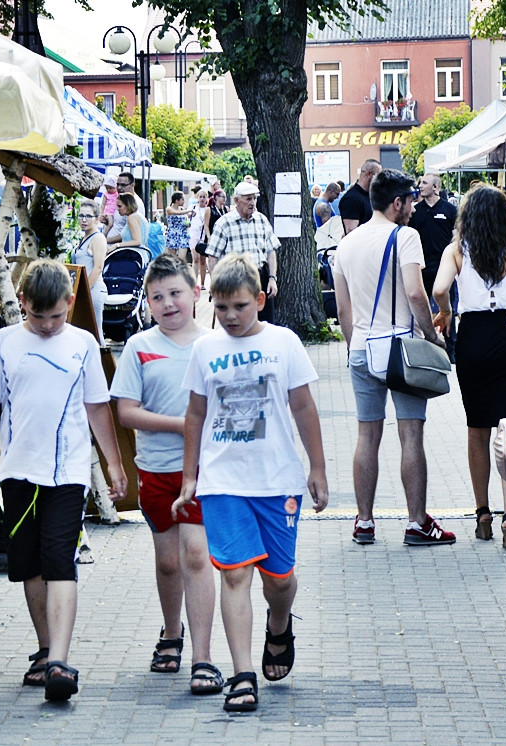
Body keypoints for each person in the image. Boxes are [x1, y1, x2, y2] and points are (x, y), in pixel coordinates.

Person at [0, 258, 128, 703]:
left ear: (71, 304)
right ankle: (44, 647)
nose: (50, 324)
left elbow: (97, 407)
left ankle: (60, 660)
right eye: (39, 315)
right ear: (23, 303)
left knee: (59, 558)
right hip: (16, 470)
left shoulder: (84, 344)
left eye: (57, 315)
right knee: (28, 564)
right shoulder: (3, 343)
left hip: (68, 472)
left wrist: (113, 463)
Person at [172, 254, 328, 713]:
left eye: (239, 306)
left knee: (278, 579)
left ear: (260, 299)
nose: (230, 317)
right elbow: (196, 414)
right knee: (235, 572)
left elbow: (303, 407)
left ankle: (279, 623)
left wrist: (316, 469)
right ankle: (242, 675)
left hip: (277, 479)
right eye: (221, 308)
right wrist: (189, 478)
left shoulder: (285, 343)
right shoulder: (205, 349)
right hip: (223, 480)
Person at [109, 254, 221, 695]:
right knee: (168, 560)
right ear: (148, 304)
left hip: (203, 470)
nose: (168, 304)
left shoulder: (213, 344)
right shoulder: (139, 347)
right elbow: (127, 413)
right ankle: (171, 633)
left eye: (176, 293)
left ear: (195, 293)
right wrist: (182, 424)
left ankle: (203, 656)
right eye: (158, 297)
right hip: (155, 469)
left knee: (196, 555)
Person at [333, 168, 455, 547]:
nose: (414, 207)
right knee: (410, 434)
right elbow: (417, 295)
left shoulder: (347, 244)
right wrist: (434, 338)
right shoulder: (406, 237)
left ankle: (365, 521)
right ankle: (417, 522)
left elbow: (343, 308)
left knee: (367, 434)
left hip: (362, 349)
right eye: (410, 201)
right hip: (402, 350)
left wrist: (356, 345)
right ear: (396, 202)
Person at [433, 184, 506, 548]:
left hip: (473, 337)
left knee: (477, 428)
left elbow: (440, 288)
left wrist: (446, 312)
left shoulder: (457, 250)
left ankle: (482, 513)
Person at [205, 182, 280, 324]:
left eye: (254, 198)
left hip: (260, 276)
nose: (252, 203)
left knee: (265, 322)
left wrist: (272, 278)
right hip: (235, 278)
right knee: (239, 322)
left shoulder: (261, 220)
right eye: (248, 199)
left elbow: (271, 251)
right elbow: (213, 256)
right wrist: (216, 285)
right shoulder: (224, 223)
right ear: (236, 201)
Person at [409, 173, 459, 361]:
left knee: (447, 307)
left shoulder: (449, 210)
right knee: (419, 306)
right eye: (420, 182)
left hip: (444, 266)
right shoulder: (415, 211)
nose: (420, 186)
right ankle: (424, 345)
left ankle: (450, 349)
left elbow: (457, 236)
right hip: (422, 266)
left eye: (424, 183)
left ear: (436, 187)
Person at [69, 204, 108, 335]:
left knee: (95, 332)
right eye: (81, 216)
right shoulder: (84, 237)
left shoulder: (98, 238)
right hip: (82, 291)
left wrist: (83, 291)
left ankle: (103, 355)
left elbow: (98, 267)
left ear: (97, 219)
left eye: (88, 216)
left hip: (93, 290)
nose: (84, 220)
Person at [339, 159, 382, 234]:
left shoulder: (371, 196)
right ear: (369, 174)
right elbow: (351, 232)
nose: (380, 180)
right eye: (378, 176)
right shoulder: (351, 199)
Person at [105, 172, 137, 244]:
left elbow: (131, 234)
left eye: (123, 185)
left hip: (120, 250)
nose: (119, 188)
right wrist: (107, 221)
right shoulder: (122, 200)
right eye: (117, 184)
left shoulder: (135, 203)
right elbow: (119, 224)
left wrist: (106, 241)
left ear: (132, 185)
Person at [188, 190, 209, 288]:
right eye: (200, 197)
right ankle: (194, 282)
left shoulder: (208, 209)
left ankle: (203, 283)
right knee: (195, 259)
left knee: (202, 260)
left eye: (204, 197)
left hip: (203, 236)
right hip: (194, 234)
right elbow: (186, 219)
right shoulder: (192, 208)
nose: (202, 199)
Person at [165, 191, 191, 263]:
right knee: (172, 259)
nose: (184, 201)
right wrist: (187, 211)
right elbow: (177, 213)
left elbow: (186, 221)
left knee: (181, 259)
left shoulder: (183, 209)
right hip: (172, 235)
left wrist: (187, 223)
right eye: (182, 199)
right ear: (177, 200)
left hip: (182, 234)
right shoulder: (169, 208)